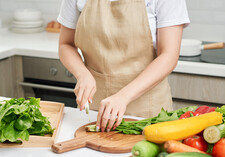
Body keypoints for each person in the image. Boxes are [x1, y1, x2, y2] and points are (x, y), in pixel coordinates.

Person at [57, 0, 190, 132]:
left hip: (148, 111)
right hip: (94, 109)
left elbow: (169, 56)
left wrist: (123, 97)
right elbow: (66, 44)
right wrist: (82, 74)